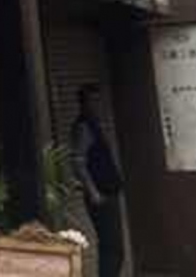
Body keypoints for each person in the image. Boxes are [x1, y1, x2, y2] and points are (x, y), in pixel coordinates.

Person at [70, 83, 125, 277]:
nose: (99, 105)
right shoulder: (84, 127)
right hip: (101, 195)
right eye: (94, 101)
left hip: (107, 192)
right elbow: (78, 161)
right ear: (85, 103)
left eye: (99, 100)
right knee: (113, 248)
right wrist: (93, 192)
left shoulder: (95, 124)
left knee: (113, 248)